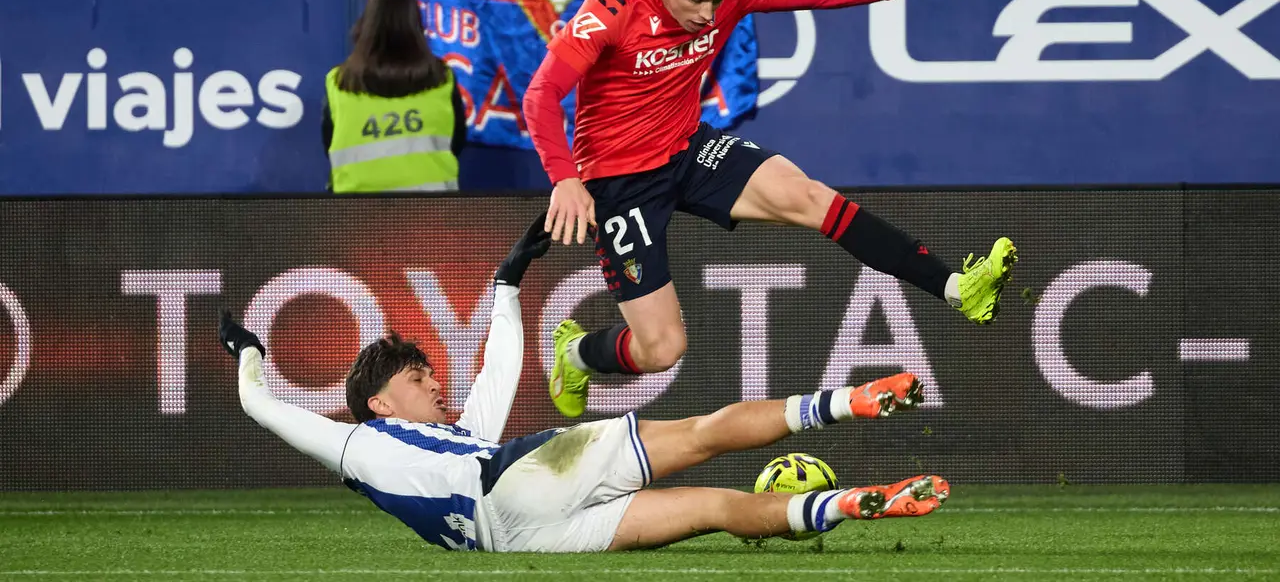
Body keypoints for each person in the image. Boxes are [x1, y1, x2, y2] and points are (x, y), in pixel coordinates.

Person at [522, 0, 1018, 418]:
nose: (708, 13)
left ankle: (957, 288)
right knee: (662, 349)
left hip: (689, 149)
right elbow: (541, 94)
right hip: (619, 181)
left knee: (809, 197)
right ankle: (578, 354)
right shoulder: (612, 8)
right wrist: (564, 176)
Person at [218, 215, 950, 553]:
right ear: (378, 404)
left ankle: (852, 504)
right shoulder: (354, 444)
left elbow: (497, 371)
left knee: (718, 509)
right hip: (516, 482)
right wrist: (249, 352)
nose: (435, 382)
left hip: (518, 538)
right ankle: (842, 403)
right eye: (418, 377)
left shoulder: (442, 443)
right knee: (696, 438)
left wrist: (508, 284)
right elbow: (261, 404)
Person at [323, 0, 466, 193]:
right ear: (417, 28)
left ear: (366, 26)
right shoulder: (443, 79)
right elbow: (456, 143)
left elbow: (329, 146)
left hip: (355, 214)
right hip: (434, 212)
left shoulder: (338, 82)